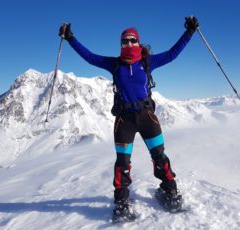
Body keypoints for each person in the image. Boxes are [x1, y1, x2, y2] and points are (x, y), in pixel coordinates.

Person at [59, 16, 199, 219]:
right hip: (124, 120)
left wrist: (189, 32)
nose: (129, 44)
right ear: (121, 44)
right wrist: (70, 38)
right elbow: (89, 57)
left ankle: (170, 192)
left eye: (133, 40)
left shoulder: (147, 61)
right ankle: (122, 202)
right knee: (122, 163)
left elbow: (172, 54)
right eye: (125, 41)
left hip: (147, 117)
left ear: (139, 42)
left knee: (159, 156)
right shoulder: (114, 64)